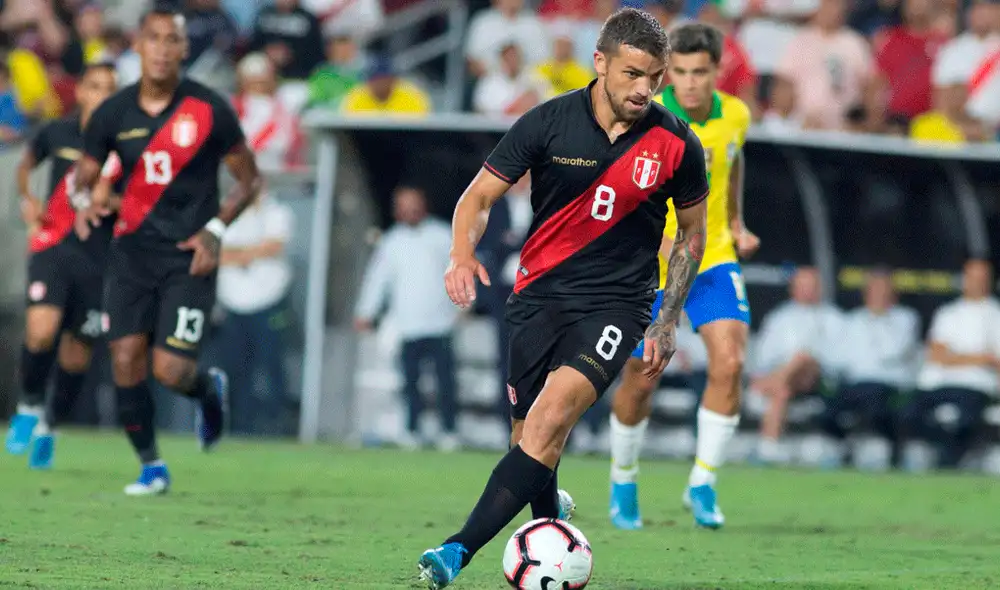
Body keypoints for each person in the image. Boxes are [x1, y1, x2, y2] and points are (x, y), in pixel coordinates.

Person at [417, 9, 708, 588]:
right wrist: (460, 254)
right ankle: (551, 528)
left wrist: (667, 318)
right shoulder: (547, 122)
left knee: (549, 420)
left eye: (655, 77)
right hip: (536, 298)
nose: (644, 89)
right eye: (632, 74)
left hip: (616, 306)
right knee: (528, 439)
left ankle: (456, 551)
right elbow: (477, 199)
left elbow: (692, 235)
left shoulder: (676, 142)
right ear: (599, 63)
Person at [72, 7, 263, 496]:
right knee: (124, 359)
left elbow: (249, 180)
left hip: (187, 255)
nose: (161, 48)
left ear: (183, 48)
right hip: (131, 254)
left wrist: (217, 229)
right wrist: (82, 203)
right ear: (138, 45)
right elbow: (84, 177)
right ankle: (151, 466)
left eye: (171, 40)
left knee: (171, 370)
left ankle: (206, 389)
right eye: (152, 38)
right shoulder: (112, 112)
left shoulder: (209, 108)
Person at [606, 23, 757, 531]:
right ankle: (623, 479)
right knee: (640, 376)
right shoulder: (646, 118)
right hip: (651, 264)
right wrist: (668, 248)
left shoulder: (735, 114)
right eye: (683, 73)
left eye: (702, 72)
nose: (691, 83)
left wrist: (736, 220)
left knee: (731, 362)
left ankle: (703, 482)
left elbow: (732, 166)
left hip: (713, 256)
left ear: (718, 71)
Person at [4, 63, 119, 469]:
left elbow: (138, 201)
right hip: (53, 246)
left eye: (110, 88)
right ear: (82, 92)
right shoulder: (59, 133)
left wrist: (113, 202)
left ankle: (50, 427)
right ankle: (29, 406)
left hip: (99, 259)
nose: (101, 94)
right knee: (40, 333)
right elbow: (25, 166)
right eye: (95, 86)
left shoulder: (127, 147)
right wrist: (28, 200)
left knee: (75, 355)